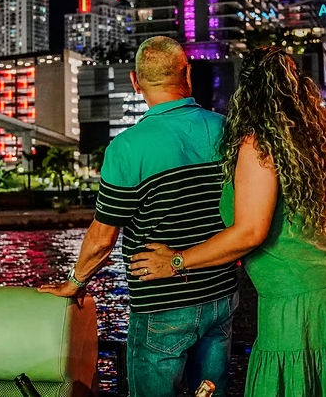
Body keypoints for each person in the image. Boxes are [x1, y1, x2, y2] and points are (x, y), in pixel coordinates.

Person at [130, 46, 326, 396]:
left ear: (246, 92)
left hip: (296, 297)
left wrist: (176, 261)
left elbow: (251, 231)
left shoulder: (258, 144)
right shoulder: (304, 142)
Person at [39, 36, 238, 397]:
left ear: (135, 81)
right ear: (187, 73)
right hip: (220, 296)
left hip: (161, 305)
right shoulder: (225, 129)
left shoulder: (126, 148)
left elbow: (102, 241)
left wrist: (74, 282)